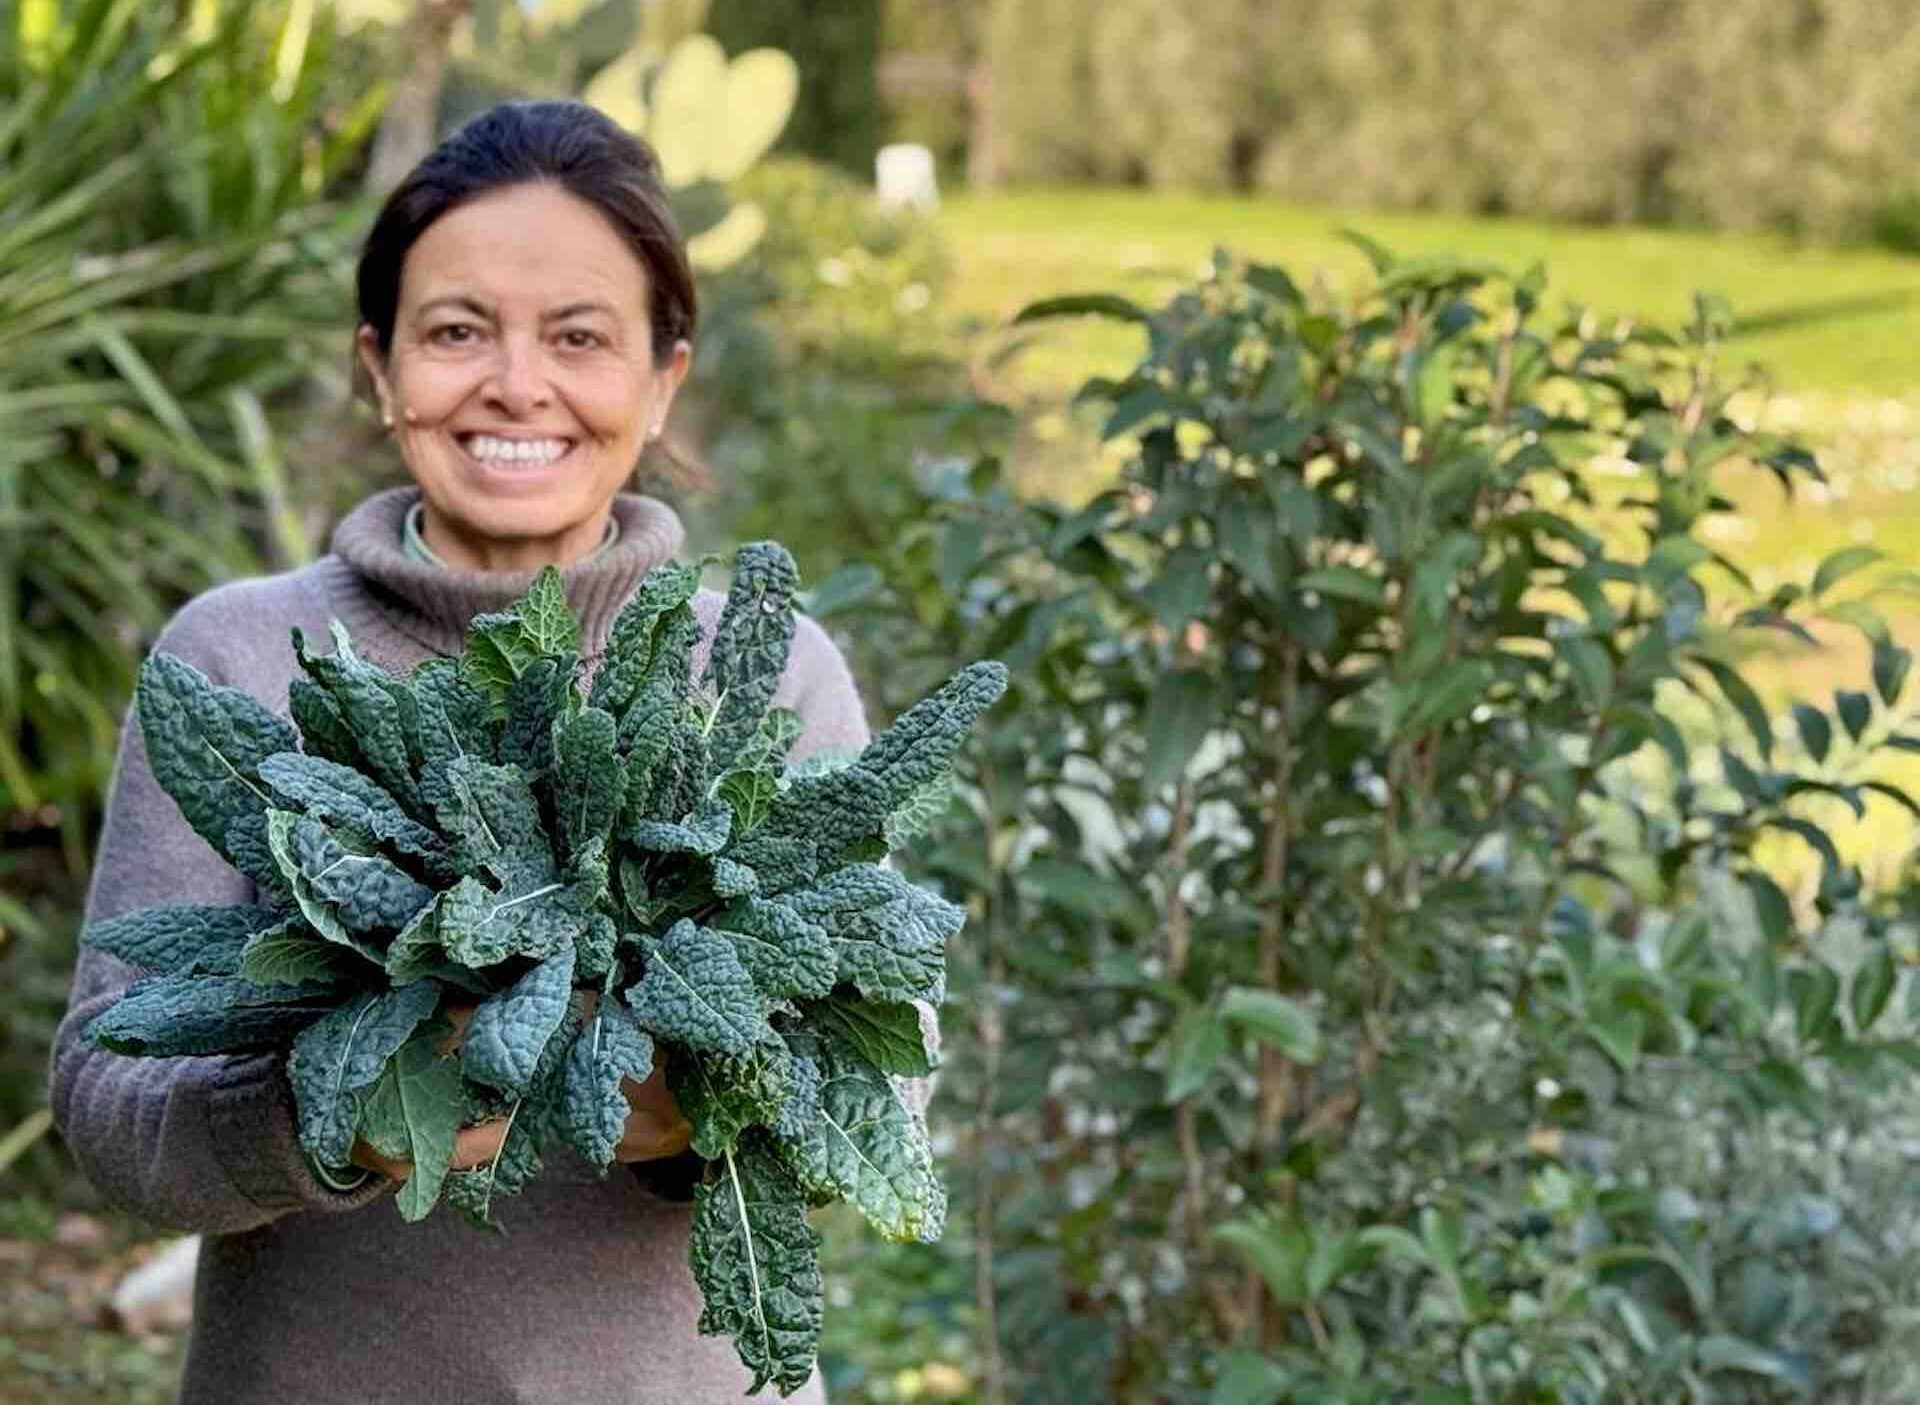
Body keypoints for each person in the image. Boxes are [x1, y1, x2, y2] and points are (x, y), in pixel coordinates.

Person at [49, 100, 933, 1403]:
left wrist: (699, 1113)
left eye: (580, 336)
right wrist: (345, 1113)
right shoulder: (244, 657)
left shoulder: (761, 672)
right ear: (379, 366)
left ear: (662, 376)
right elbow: (116, 1113)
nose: (518, 383)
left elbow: (881, 1100)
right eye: (458, 331)